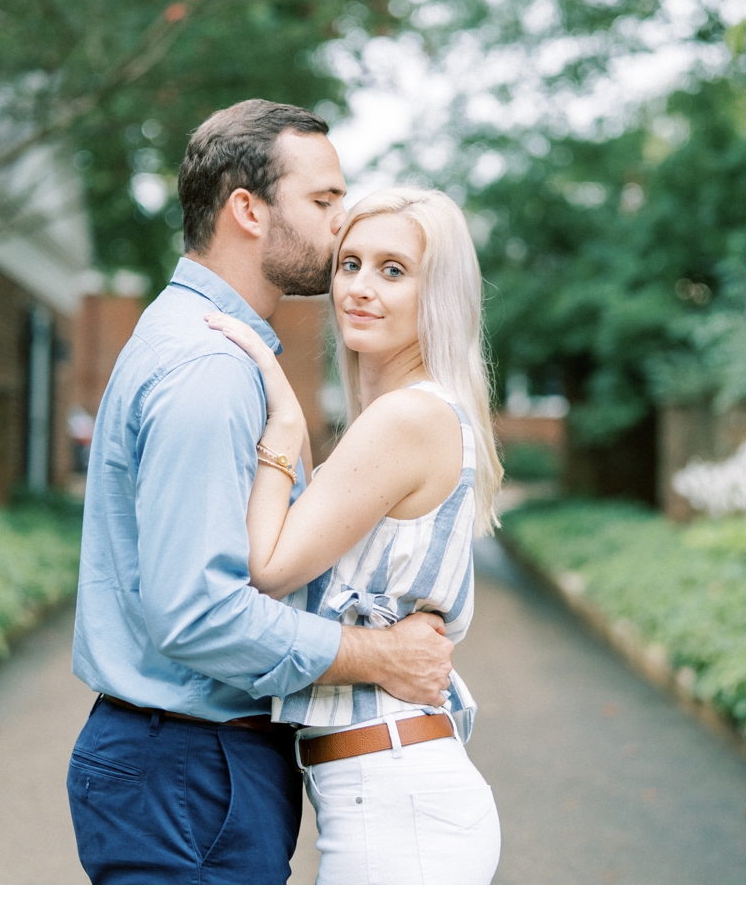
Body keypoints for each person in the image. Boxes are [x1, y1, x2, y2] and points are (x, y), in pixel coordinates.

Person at [66, 101, 456, 885]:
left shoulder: (188, 337)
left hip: (181, 765)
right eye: (323, 201)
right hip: (190, 767)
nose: (343, 224)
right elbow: (199, 613)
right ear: (247, 209)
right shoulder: (210, 369)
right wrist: (378, 656)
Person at [205, 186, 504, 884]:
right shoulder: (417, 413)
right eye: (350, 265)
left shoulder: (406, 419)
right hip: (389, 790)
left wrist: (281, 426)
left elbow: (270, 564)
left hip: (398, 800)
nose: (360, 288)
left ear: (440, 295)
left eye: (393, 270)